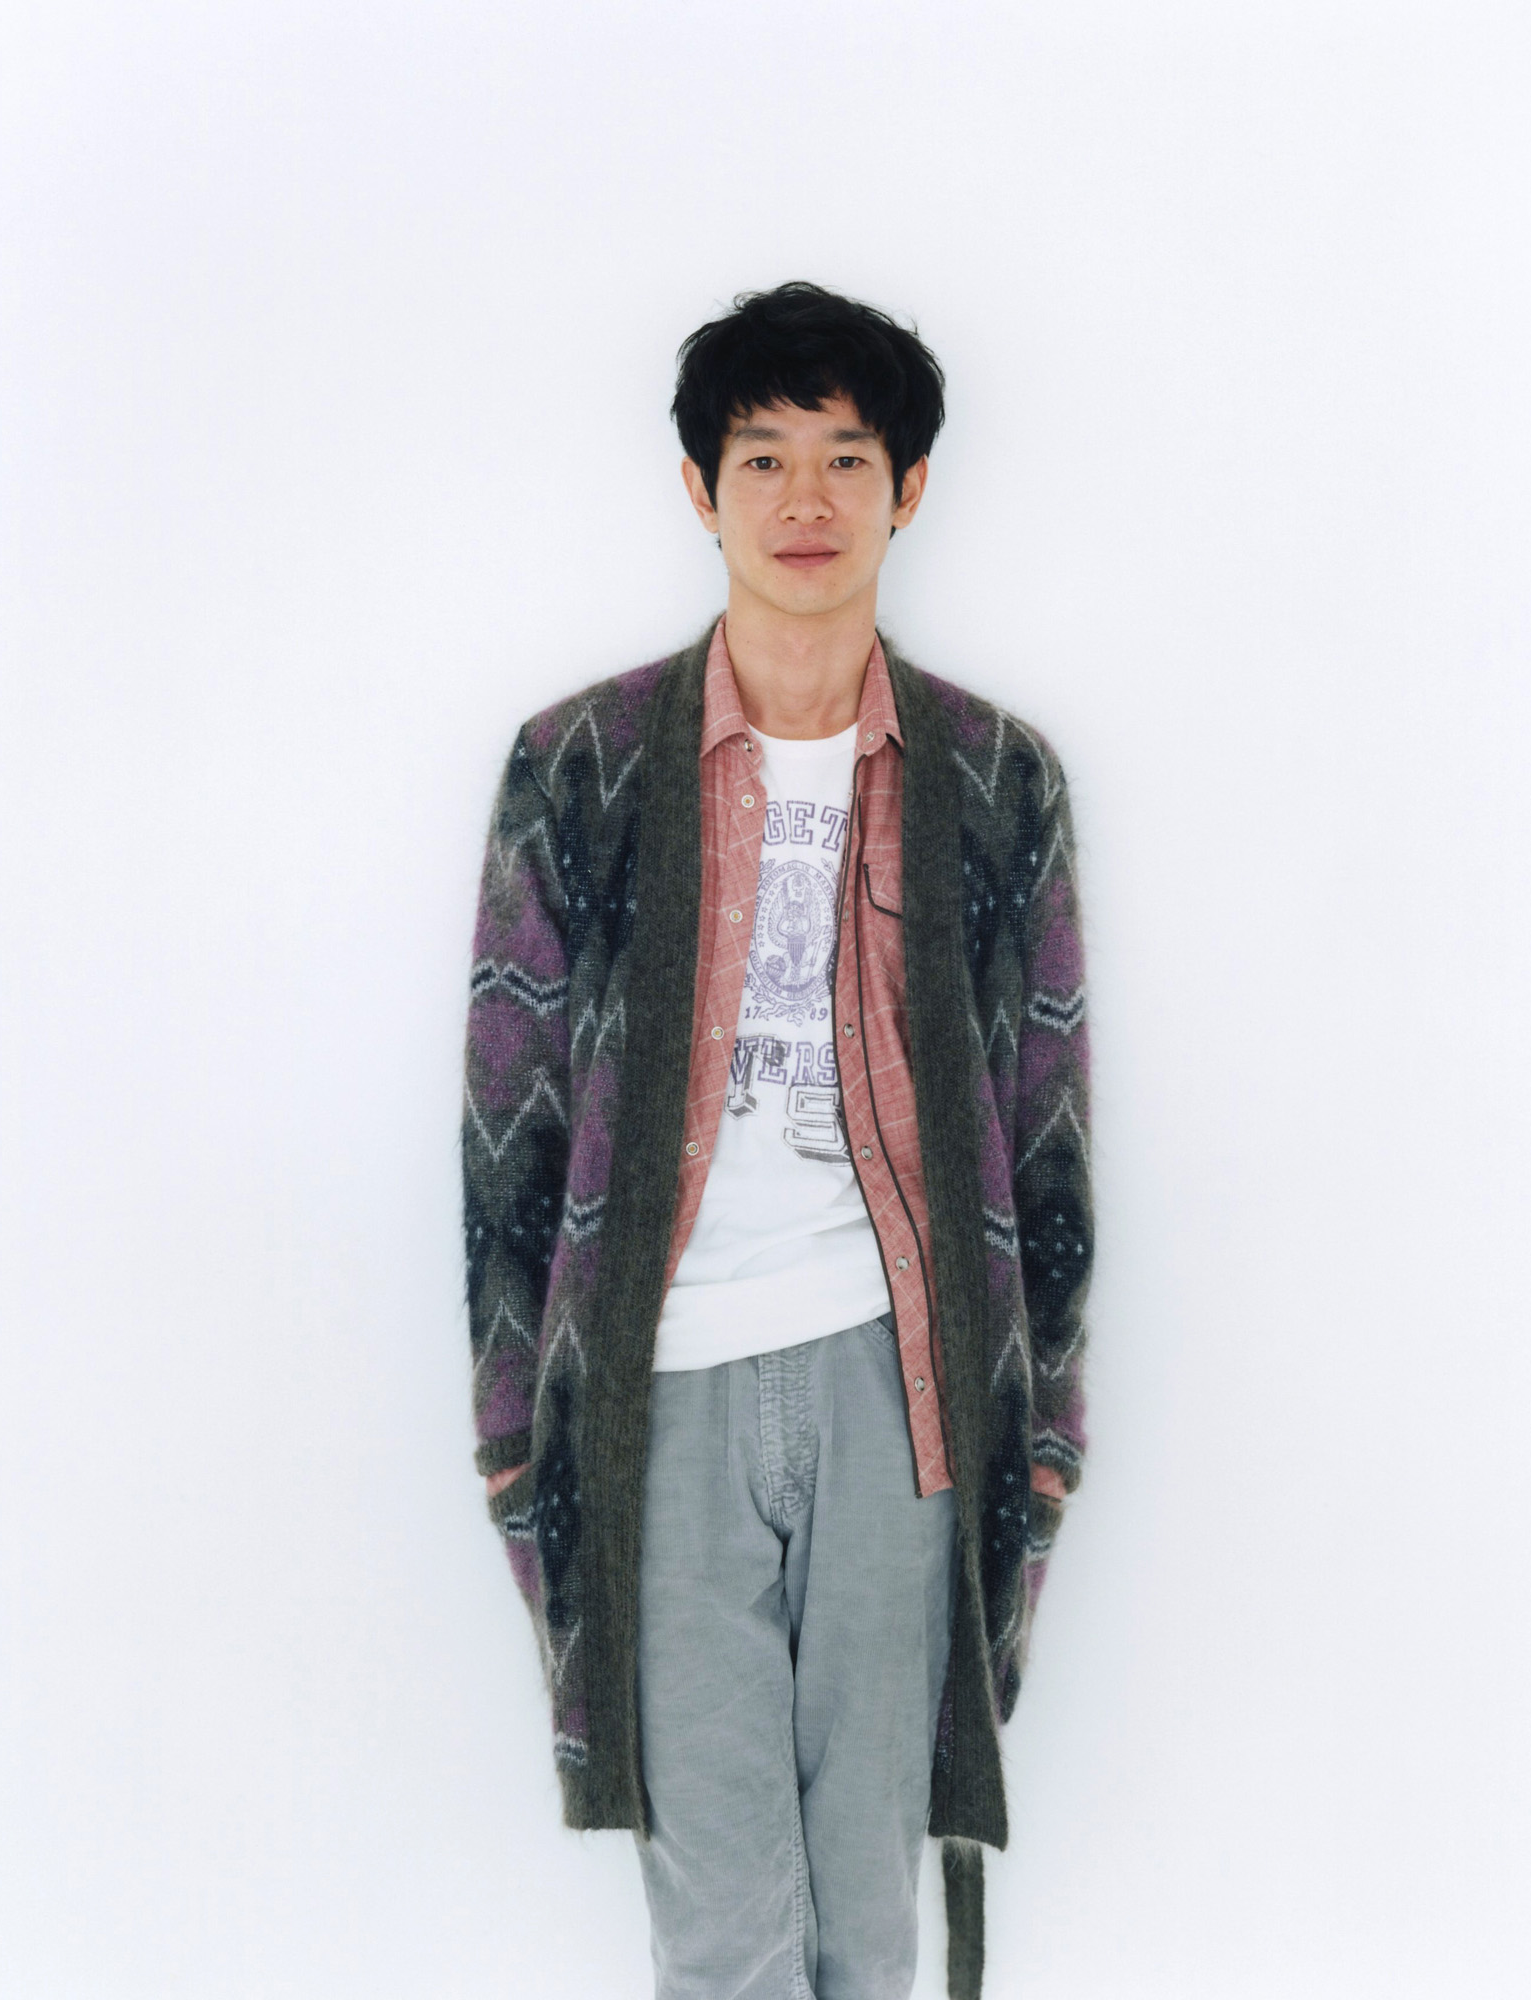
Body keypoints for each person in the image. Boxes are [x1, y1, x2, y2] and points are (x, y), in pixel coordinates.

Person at [461, 281, 1093, 2000]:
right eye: (761, 458)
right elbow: (505, 1128)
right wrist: (516, 1431)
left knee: (865, 1914)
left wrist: (1042, 1436)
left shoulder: (995, 778)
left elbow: (1046, 1127)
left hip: (905, 1386)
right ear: (700, 488)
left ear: (908, 488)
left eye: (845, 457)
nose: (804, 499)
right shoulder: (579, 765)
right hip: (656, 1388)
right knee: (725, 1925)